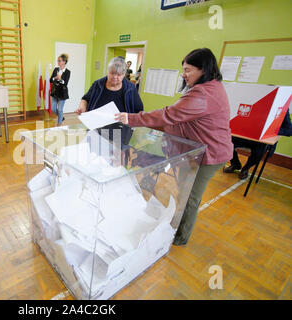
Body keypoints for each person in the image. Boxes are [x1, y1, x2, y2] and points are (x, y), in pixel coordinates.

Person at [115, 48, 233, 246]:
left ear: (203, 69)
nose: (184, 74)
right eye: (183, 70)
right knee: (184, 191)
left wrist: (133, 118)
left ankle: (179, 237)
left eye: (188, 70)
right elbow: (177, 120)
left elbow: (170, 115)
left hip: (210, 154)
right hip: (195, 151)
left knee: (190, 197)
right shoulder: (210, 88)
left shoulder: (203, 93)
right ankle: (175, 223)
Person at [223, 109, 292, 179]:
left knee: (259, 151)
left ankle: (246, 168)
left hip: (261, 141)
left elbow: (289, 131)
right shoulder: (253, 101)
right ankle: (235, 164)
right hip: (245, 135)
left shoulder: (282, 107)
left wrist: (269, 129)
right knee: (225, 142)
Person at [75, 57, 144, 115]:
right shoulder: (98, 84)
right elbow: (85, 99)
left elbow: (139, 110)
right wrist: (82, 106)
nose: (114, 77)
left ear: (124, 75)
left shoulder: (130, 88)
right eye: (112, 73)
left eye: (118, 74)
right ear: (108, 71)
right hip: (97, 125)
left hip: (121, 127)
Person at [50, 53, 70, 126]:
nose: (58, 62)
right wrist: (55, 78)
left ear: (64, 62)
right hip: (55, 92)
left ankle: (59, 124)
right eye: (57, 61)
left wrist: (60, 79)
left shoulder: (68, 72)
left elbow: (65, 83)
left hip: (62, 93)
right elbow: (50, 80)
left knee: (60, 110)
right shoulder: (56, 69)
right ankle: (61, 117)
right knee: (53, 109)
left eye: (59, 61)